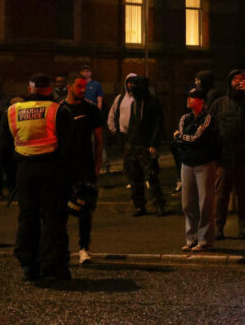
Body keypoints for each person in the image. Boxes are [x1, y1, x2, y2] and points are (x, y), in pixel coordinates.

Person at [5, 74, 73, 282]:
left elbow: (3, 149)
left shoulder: (13, 111)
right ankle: (52, 266)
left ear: (30, 87)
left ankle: (29, 265)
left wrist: (10, 179)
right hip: (52, 171)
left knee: (27, 217)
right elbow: (69, 148)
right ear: (49, 88)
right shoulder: (58, 110)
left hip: (24, 171)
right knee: (53, 218)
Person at [210, 69, 245, 240]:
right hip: (224, 157)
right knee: (221, 193)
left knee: (244, 193)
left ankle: (243, 226)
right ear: (229, 82)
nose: (239, 83)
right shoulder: (219, 103)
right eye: (236, 80)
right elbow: (210, 127)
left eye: (244, 80)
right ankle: (218, 227)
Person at [59, 73, 104, 266]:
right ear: (69, 87)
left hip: (84, 166)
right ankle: (61, 248)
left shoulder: (90, 110)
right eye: (79, 86)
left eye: (84, 87)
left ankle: (84, 248)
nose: (83, 90)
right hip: (63, 167)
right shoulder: (59, 109)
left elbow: (99, 140)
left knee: (84, 209)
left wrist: (97, 166)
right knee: (60, 209)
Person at [109, 75, 166, 217]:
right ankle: (140, 206)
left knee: (152, 177)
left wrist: (154, 144)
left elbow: (157, 125)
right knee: (134, 177)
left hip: (146, 146)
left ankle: (159, 204)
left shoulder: (152, 102)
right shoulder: (135, 103)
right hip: (132, 144)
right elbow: (132, 124)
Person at [174, 87, 221, 251]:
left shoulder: (208, 119)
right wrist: (182, 139)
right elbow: (185, 139)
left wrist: (180, 137)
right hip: (187, 163)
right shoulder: (185, 118)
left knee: (205, 203)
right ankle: (191, 238)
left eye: (192, 97)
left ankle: (205, 240)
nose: (188, 100)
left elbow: (196, 138)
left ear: (201, 101)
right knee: (187, 203)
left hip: (204, 164)